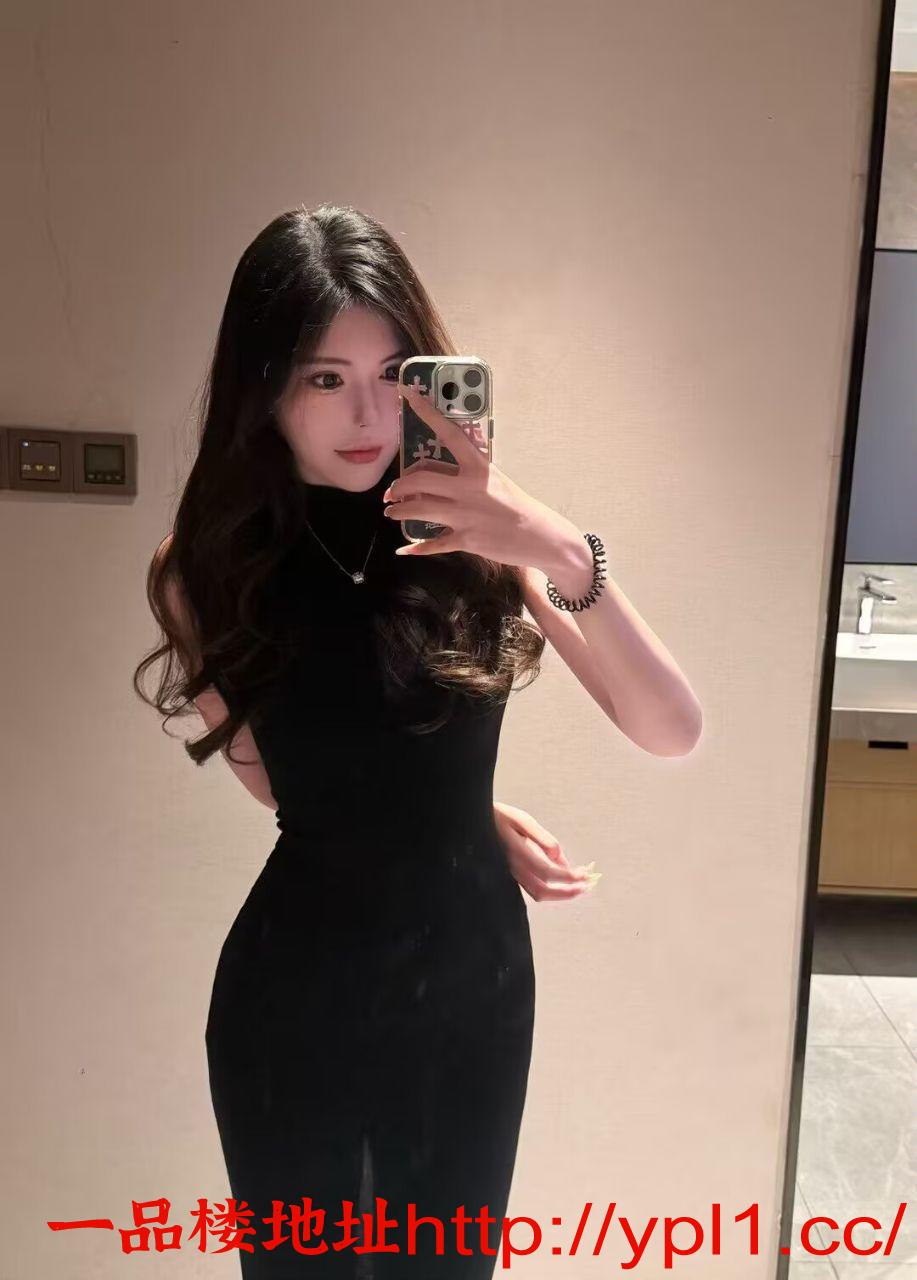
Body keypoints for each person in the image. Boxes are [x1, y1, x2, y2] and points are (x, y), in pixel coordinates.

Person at [135, 204, 700, 1277]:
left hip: (469, 990)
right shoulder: (202, 568)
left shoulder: (478, 534)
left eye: (395, 373)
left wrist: (553, 545)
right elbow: (285, 786)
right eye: (324, 377)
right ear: (264, 387)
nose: (368, 411)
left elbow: (670, 728)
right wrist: (446, 806)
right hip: (290, 993)